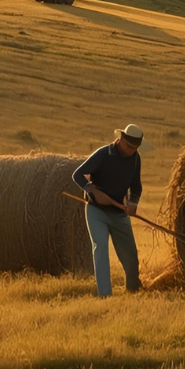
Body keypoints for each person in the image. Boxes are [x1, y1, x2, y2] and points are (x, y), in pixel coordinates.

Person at [72, 125, 144, 297]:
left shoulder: (135, 159)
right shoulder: (103, 154)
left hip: (119, 214)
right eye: (129, 146)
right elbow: (77, 175)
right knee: (101, 248)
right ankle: (105, 295)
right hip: (96, 210)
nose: (131, 150)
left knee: (130, 255)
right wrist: (93, 191)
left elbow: (136, 187)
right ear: (120, 140)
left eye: (135, 148)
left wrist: (133, 204)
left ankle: (133, 291)